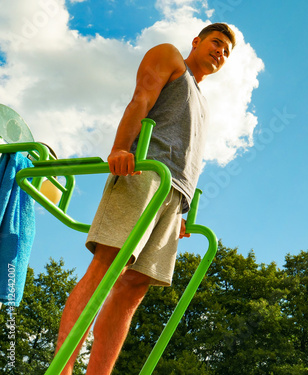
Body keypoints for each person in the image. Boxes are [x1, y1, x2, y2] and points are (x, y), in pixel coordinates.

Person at [54, 23, 236, 375]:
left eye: (227, 52)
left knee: (134, 288)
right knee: (108, 266)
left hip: (174, 194)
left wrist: (182, 208)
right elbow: (140, 99)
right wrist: (120, 148)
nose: (220, 52)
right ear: (197, 42)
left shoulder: (204, 102)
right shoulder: (170, 58)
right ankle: (62, 369)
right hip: (145, 175)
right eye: (216, 43)